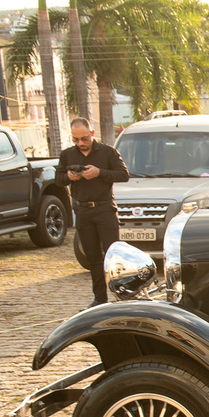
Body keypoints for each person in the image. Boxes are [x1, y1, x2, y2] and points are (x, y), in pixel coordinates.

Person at [60, 117, 129, 308]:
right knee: (93, 258)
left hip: (105, 209)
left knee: (113, 256)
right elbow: (58, 179)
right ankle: (100, 299)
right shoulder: (67, 155)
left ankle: (123, 297)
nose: (80, 143)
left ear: (92, 133)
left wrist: (100, 172)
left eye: (84, 139)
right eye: (76, 140)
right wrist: (68, 176)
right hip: (82, 211)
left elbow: (124, 174)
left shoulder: (107, 152)